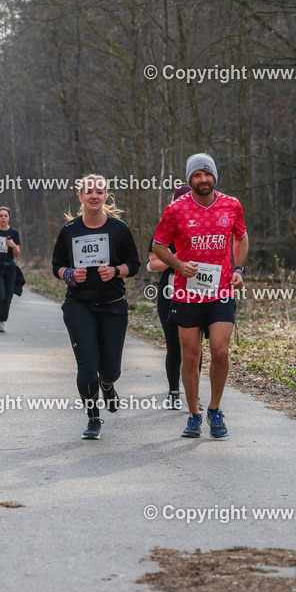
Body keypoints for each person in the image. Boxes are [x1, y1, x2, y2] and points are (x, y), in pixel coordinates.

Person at [152, 153, 248, 439]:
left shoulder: (232, 205)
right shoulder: (176, 209)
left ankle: (214, 409)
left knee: (220, 351)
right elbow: (158, 245)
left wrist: (239, 268)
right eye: (196, 175)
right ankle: (194, 414)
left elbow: (241, 236)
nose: (202, 179)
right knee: (191, 357)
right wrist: (179, 264)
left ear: (214, 176)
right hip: (186, 293)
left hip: (220, 291)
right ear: (189, 179)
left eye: (207, 174)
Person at [52, 174, 140, 440]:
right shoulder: (70, 231)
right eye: (88, 191)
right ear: (80, 196)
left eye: (99, 192)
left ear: (105, 196)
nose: (94, 195)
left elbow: (133, 264)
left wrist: (115, 271)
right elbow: (56, 265)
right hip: (80, 305)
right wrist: (69, 275)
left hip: (113, 305)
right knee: (87, 366)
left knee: (110, 369)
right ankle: (93, 418)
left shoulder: (119, 229)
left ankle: (108, 383)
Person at [146, 183, 203, 411]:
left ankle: (194, 394)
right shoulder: (165, 229)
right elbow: (152, 264)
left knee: (195, 348)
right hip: (170, 294)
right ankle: (173, 391)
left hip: (199, 292)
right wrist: (177, 259)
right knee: (174, 346)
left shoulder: (205, 229)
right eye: (181, 202)